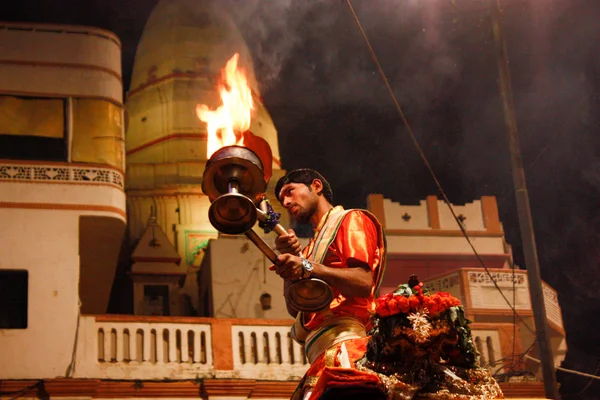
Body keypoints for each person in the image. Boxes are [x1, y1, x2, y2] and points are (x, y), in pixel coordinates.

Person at [273, 169, 387, 400]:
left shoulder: (351, 219)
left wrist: (306, 266)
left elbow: (363, 282)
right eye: (282, 199)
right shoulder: (309, 250)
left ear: (316, 186)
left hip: (347, 348)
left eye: (290, 192)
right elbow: (295, 309)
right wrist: (289, 266)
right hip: (319, 354)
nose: (286, 202)